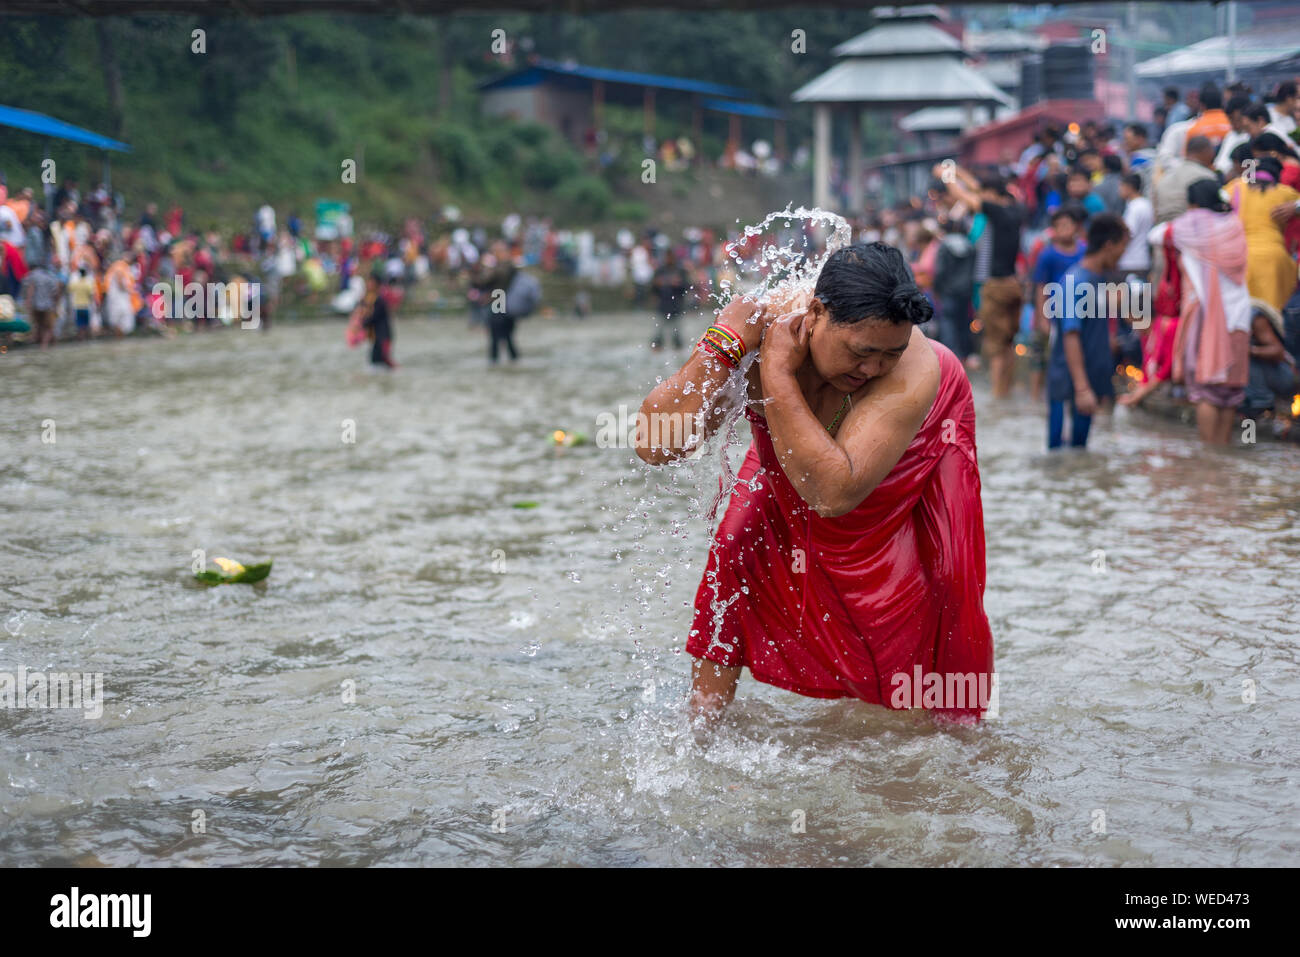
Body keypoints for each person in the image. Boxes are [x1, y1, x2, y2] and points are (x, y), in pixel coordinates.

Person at [635, 242, 994, 723]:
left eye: (890, 354)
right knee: (736, 543)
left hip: (918, 430)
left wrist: (778, 372)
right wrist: (721, 346)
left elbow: (832, 494)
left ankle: (950, 731)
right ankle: (702, 718)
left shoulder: (915, 368)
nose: (872, 370)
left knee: (945, 571)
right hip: (801, 442)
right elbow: (657, 445)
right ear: (817, 313)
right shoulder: (761, 326)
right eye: (862, 352)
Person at [1153, 180, 1251, 445]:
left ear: (1193, 203)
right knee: (1230, 387)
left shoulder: (1191, 226)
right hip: (1240, 314)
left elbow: (1157, 234)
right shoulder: (1234, 225)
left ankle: (1210, 455)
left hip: (1206, 317)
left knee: (1206, 389)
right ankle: (1223, 450)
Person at [938, 165, 1024, 397]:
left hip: (995, 286)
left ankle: (998, 398)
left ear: (994, 195)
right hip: (1013, 284)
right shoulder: (1013, 210)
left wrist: (946, 175)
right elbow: (977, 189)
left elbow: (962, 195)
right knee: (1007, 343)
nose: (980, 196)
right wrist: (957, 171)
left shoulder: (995, 210)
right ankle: (1006, 392)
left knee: (995, 346)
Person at [1045, 213, 1129, 449]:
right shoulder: (1076, 281)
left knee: (1079, 451)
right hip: (1068, 383)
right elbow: (1071, 335)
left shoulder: (1097, 280)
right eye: (1123, 246)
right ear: (1109, 245)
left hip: (1088, 379)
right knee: (1059, 453)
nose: (1124, 254)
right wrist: (1082, 389)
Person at [1223, 155, 1300, 311]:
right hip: (1275, 259)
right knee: (1272, 315)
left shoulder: (1235, 187)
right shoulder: (1285, 193)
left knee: (1246, 314)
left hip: (1241, 257)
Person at [1031, 205, 1087, 403]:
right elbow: (1040, 287)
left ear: (1076, 227)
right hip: (1053, 313)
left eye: (1068, 225)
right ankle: (1036, 397)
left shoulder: (1084, 252)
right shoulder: (1047, 255)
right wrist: (1042, 317)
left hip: (1078, 312)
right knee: (1041, 358)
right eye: (1059, 226)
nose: (1064, 229)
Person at [1241, 297, 1298, 418]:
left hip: (1284, 375)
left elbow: (1278, 352)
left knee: (1244, 355)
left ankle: (1260, 403)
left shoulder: (1252, 315)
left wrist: (1250, 350)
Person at [932, 217, 975, 363]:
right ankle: (964, 353)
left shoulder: (944, 246)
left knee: (948, 323)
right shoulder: (970, 246)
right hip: (965, 291)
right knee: (963, 322)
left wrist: (937, 288)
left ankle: (949, 355)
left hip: (948, 291)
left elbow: (940, 271)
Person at [650, 248, 690, 350]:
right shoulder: (660, 270)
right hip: (662, 305)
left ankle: (678, 348)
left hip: (676, 306)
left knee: (677, 333)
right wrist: (659, 284)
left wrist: (677, 283)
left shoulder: (680, 271)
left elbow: (686, 286)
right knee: (659, 332)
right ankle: (657, 347)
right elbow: (653, 287)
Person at [1118, 173, 1154, 281]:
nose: (1119, 190)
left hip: (1131, 261)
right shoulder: (1146, 204)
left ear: (1129, 187)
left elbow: (1128, 232)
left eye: (1121, 186)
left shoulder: (1134, 207)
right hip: (1143, 259)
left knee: (1131, 297)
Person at [20, 259, 62, 350]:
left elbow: (29, 289)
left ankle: (41, 345)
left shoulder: (30, 276)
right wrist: (56, 304)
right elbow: (56, 291)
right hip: (48, 305)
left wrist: (28, 302)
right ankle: (44, 346)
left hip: (35, 305)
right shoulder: (50, 277)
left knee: (39, 325)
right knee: (48, 327)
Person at [361, 274, 395, 369]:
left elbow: (373, 317)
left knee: (384, 362)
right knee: (375, 362)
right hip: (375, 336)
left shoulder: (380, 299)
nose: (368, 284)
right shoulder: (369, 299)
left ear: (377, 284)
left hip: (383, 336)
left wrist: (362, 325)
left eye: (371, 282)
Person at [66, 265, 97, 341]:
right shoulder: (88, 284)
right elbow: (91, 295)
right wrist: (94, 305)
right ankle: (87, 339)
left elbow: (69, 289)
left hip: (77, 306)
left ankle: (81, 338)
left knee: (79, 325)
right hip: (86, 306)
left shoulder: (76, 284)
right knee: (86, 324)